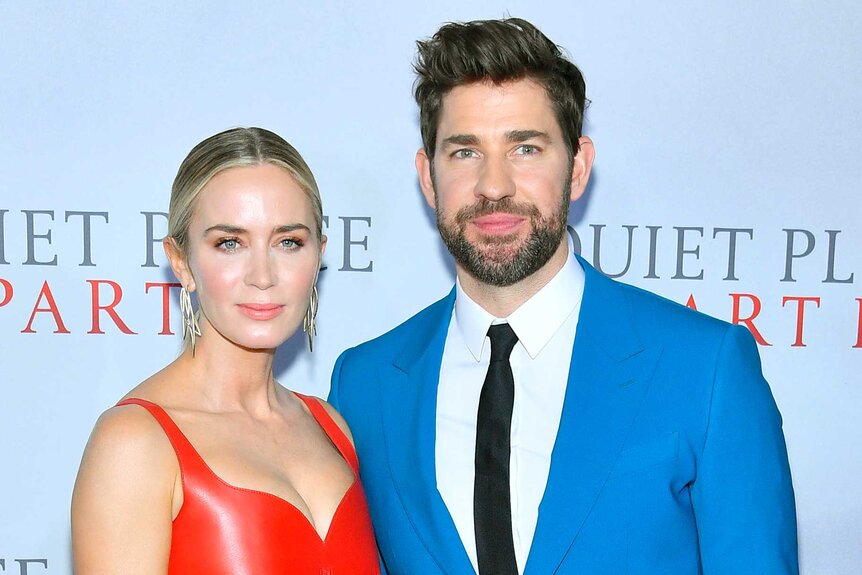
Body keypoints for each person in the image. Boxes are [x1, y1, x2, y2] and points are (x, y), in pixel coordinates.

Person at [329, 18, 798, 575]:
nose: (494, 184)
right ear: (428, 179)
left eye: (524, 148)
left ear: (576, 168)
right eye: (464, 152)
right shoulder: (365, 382)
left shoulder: (706, 367)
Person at [72, 127, 379, 574]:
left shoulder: (331, 428)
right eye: (229, 243)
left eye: (288, 242)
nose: (262, 274)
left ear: (319, 255)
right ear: (182, 262)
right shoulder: (135, 443)